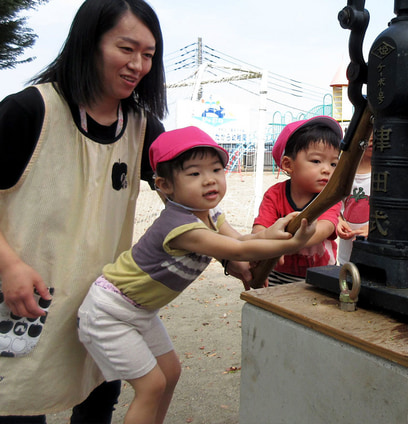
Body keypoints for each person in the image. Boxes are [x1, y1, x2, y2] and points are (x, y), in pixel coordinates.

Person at [77, 126, 315, 424]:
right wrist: (294, 242)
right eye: (194, 174)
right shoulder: (180, 227)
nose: (210, 179)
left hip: (140, 311)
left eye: (216, 169)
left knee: (170, 373)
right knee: (151, 385)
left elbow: (240, 241)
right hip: (110, 312)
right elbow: (238, 252)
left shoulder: (211, 215)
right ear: (165, 185)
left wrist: (272, 230)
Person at [0, 0, 166, 421]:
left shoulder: (144, 128)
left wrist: (234, 252)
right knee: (19, 401)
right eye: (126, 49)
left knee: (96, 401)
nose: (138, 65)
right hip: (25, 298)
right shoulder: (28, 111)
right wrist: (9, 266)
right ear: (88, 44)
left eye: (148, 54)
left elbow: (186, 199)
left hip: (100, 304)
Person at [250, 116, 343, 286]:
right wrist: (260, 247)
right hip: (276, 274)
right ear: (288, 164)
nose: (326, 170)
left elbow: (323, 228)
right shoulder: (275, 194)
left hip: (320, 274)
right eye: (316, 161)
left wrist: (282, 246)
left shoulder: (330, 197)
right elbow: (260, 229)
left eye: (334, 164)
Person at [336, 133, 372, 265]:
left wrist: (374, 228)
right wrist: (337, 221)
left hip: (375, 257)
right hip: (347, 255)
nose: (372, 137)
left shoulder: (387, 174)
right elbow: (335, 207)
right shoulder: (344, 173)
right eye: (369, 132)